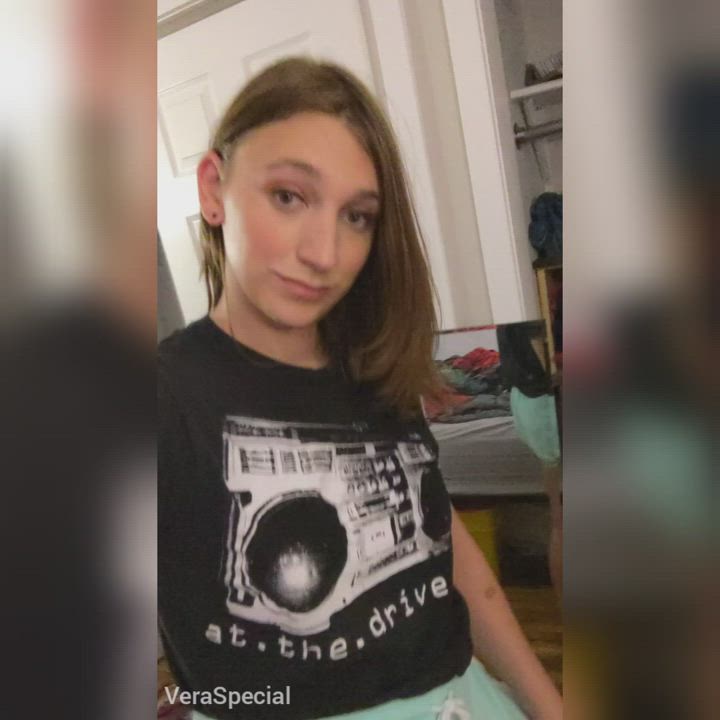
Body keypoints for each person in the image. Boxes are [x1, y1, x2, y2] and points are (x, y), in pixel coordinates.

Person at [159, 57, 562, 720]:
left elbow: (448, 556)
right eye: (289, 196)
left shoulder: (377, 368)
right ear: (213, 188)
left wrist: (550, 706)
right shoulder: (159, 397)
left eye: (357, 216)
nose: (325, 252)